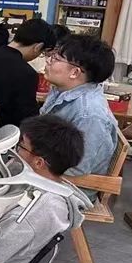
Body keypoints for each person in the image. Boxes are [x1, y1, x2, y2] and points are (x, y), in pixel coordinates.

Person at [0, 114, 88, 263]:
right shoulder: (32, 178)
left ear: (39, 163)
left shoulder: (41, 210)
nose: (15, 151)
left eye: (21, 146)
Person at [40, 34, 118, 176]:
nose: (48, 60)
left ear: (75, 72)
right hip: (47, 165)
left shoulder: (89, 114)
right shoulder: (61, 90)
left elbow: (77, 169)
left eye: (56, 58)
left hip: (67, 184)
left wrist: (34, 168)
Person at [0, 18, 57, 128]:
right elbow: (27, 117)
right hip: (2, 133)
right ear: (38, 47)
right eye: (42, 52)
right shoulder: (27, 73)